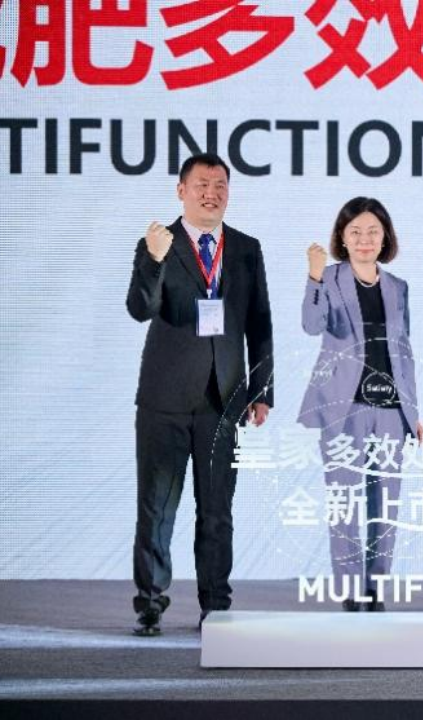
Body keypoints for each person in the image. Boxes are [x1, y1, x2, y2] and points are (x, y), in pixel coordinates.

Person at [127, 153, 273, 636]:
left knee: (217, 511)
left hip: (224, 399)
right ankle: (150, 603)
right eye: (202, 185)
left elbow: (260, 323)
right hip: (164, 399)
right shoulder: (159, 243)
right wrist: (152, 259)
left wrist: (262, 391)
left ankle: (216, 604)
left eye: (220, 185)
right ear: (181, 191)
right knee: (156, 506)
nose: (212, 193)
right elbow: (140, 309)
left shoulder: (247, 248)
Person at [297, 197, 422, 612]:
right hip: (343, 407)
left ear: (385, 237)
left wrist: (414, 413)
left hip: (390, 410)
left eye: (373, 231)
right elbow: (311, 325)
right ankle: (351, 589)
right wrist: (314, 277)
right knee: (345, 501)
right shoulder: (329, 277)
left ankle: (376, 587)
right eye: (355, 232)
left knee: (385, 503)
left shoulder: (398, 287)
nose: (364, 239)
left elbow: (404, 352)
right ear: (343, 238)